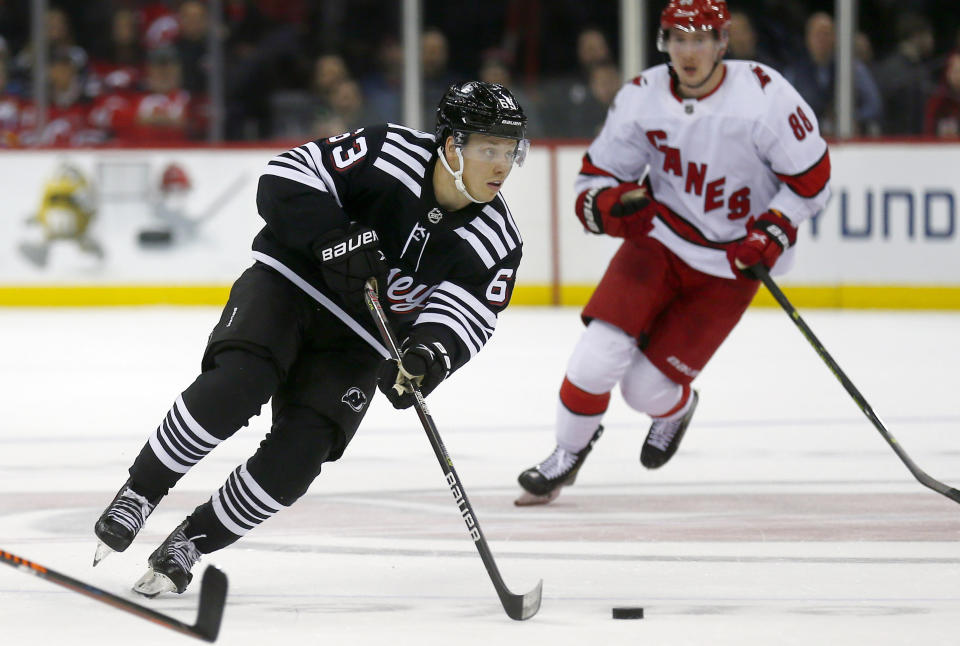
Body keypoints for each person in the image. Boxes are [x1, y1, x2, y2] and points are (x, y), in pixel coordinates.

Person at [92, 81, 529, 596]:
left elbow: (468, 315)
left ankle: (190, 541)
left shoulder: (498, 242)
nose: (502, 165)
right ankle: (140, 492)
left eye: (510, 151)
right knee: (236, 386)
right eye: (489, 149)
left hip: (361, 340)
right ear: (452, 145)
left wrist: (428, 354)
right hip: (290, 286)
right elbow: (283, 176)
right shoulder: (390, 152)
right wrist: (331, 238)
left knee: (300, 456)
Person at [515, 0, 831, 505]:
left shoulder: (765, 97)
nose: (689, 51)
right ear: (665, 42)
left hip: (731, 262)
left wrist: (771, 230)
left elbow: (812, 180)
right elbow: (595, 181)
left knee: (645, 391)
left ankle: (676, 410)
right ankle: (565, 455)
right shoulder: (642, 97)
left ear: (722, 42)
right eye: (679, 39)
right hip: (661, 240)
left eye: (701, 38)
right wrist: (610, 204)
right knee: (596, 358)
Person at [782, 11, 882, 136]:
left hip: (847, 139)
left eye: (826, 34)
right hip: (808, 140)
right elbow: (785, 111)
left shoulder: (853, 69)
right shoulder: (794, 73)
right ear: (808, 38)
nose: (822, 39)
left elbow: (874, 104)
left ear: (835, 38)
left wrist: (854, 119)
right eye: (817, 34)